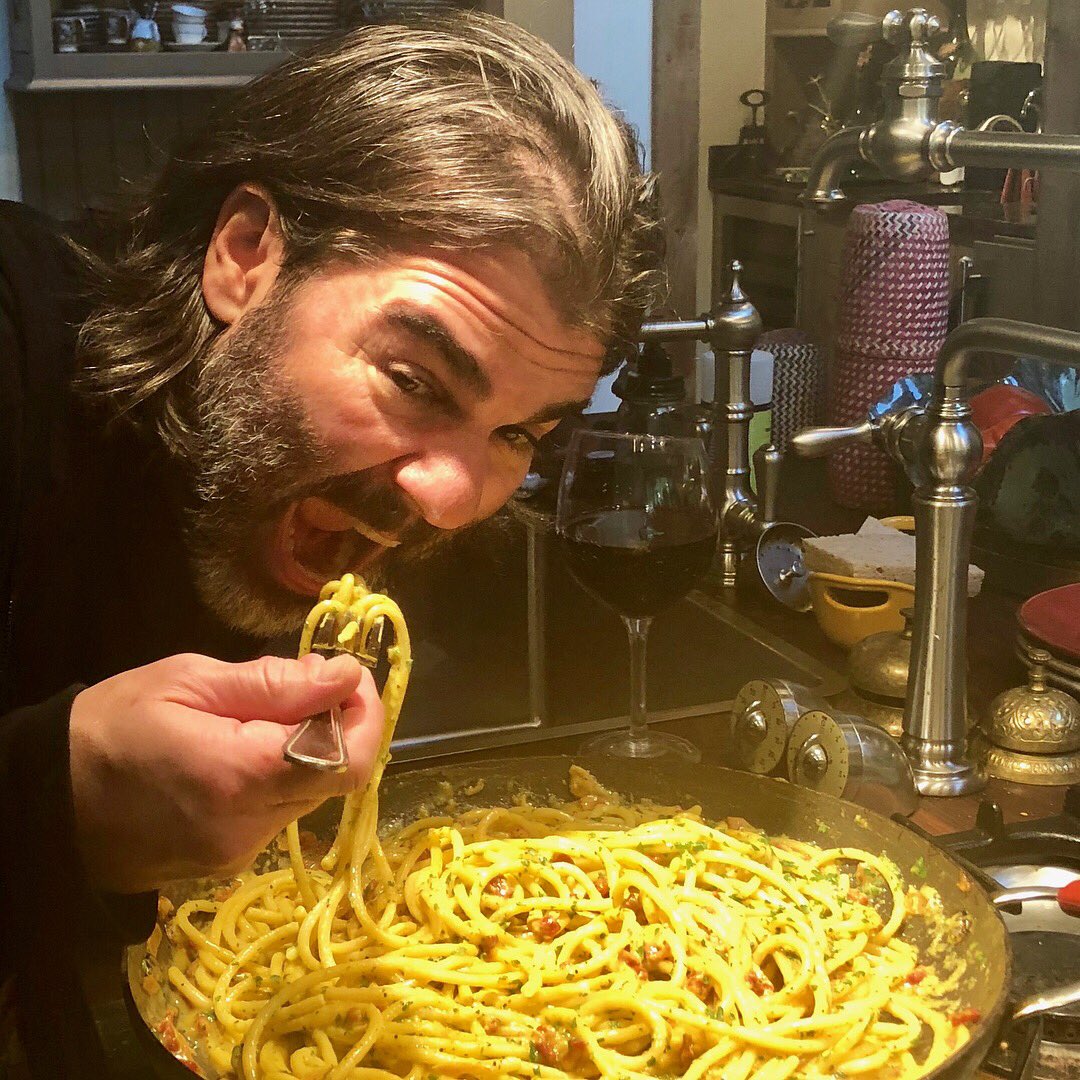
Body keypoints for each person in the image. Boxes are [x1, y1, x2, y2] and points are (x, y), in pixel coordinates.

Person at [0, 10, 662, 1076]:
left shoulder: (341, 509)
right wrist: (54, 797)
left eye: (519, 435)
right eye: (413, 379)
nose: (452, 499)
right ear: (245, 256)